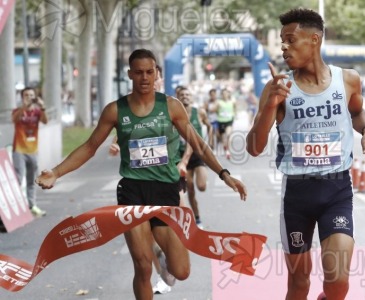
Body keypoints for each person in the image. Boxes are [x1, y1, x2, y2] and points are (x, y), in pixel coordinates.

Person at [36, 49, 246, 300]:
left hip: (166, 191)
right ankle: (149, 253)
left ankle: (158, 251)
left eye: (150, 72)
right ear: (130, 74)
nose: (145, 78)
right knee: (143, 266)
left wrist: (224, 174)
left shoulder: (171, 106)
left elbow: (198, 143)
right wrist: (56, 172)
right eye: (139, 72)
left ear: (156, 73)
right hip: (133, 191)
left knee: (182, 270)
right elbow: (90, 147)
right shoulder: (115, 110)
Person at [246, 8, 365, 300]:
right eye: (282, 41)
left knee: (337, 283)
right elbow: (254, 147)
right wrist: (271, 105)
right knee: (299, 285)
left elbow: (357, 112)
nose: (283, 47)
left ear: (315, 40)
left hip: (337, 191)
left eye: (290, 40)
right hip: (297, 194)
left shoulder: (348, 80)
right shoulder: (278, 88)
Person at [176, 86, 213, 228]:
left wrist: (208, 143)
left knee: (202, 186)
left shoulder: (199, 112)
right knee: (190, 189)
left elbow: (209, 126)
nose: (185, 97)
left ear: (191, 97)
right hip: (181, 156)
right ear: (177, 97)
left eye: (187, 94)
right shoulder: (174, 113)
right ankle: (197, 218)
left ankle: (202, 176)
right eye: (182, 95)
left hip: (197, 154)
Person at [12, 87, 48, 217]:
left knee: (32, 179)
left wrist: (42, 107)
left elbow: (45, 121)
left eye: (31, 95)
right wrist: (23, 108)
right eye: (26, 95)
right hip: (19, 150)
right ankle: (15, 208)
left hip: (33, 150)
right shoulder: (17, 111)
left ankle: (31, 205)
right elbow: (14, 120)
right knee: (18, 178)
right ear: (22, 97)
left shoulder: (38, 112)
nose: (29, 97)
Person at [216, 89, 237, 159]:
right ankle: (225, 148)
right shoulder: (219, 102)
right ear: (221, 95)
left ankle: (228, 151)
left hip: (229, 120)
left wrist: (234, 114)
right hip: (221, 121)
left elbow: (235, 108)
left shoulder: (232, 101)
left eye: (226, 93)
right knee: (223, 138)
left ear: (228, 94)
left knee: (228, 135)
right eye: (223, 94)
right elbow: (215, 110)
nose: (225, 95)